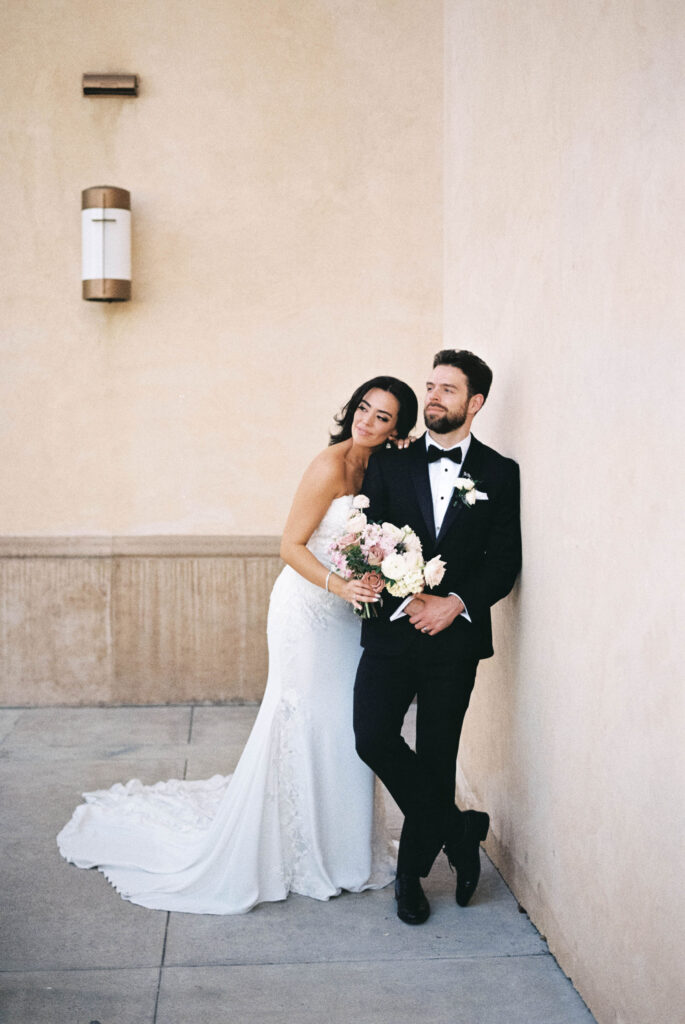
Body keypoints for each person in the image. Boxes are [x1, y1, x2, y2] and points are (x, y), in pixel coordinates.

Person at [57, 376, 418, 914]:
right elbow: (289, 545)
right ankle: (296, 849)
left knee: (345, 725)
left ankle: (345, 850)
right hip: (307, 609)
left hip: (347, 618)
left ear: (397, 429)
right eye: (364, 408)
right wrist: (341, 585)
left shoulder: (383, 464)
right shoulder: (329, 465)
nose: (366, 420)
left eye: (382, 417)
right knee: (304, 720)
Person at [353, 350, 521, 924]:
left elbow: (504, 562)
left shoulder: (500, 473)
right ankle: (459, 829)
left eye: (448, 390)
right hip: (393, 633)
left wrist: (454, 604)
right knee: (372, 737)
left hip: (455, 640)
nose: (433, 397)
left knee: (436, 755)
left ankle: (411, 880)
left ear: (474, 403)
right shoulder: (390, 463)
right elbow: (367, 541)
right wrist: (407, 598)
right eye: (430, 386)